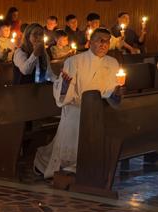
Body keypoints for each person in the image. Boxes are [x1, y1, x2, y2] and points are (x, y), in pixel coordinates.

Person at [36, 29, 124, 177]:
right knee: (76, 120)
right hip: (77, 108)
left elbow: (112, 92)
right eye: (100, 40)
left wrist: (116, 93)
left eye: (107, 41)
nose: (104, 44)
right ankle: (70, 166)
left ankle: (96, 163)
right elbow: (65, 94)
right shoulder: (74, 61)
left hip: (101, 109)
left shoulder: (113, 63)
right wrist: (64, 87)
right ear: (90, 42)